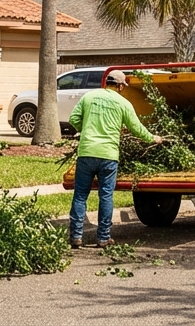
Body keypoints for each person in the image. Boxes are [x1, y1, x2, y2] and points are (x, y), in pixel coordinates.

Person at [68, 70, 163, 249]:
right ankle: (103, 238)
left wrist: (87, 128)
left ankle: (76, 237)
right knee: (105, 196)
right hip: (108, 157)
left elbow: (73, 118)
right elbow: (136, 128)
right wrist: (153, 138)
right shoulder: (123, 103)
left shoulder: (89, 97)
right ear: (119, 86)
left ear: (106, 83)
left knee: (80, 196)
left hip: (87, 153)